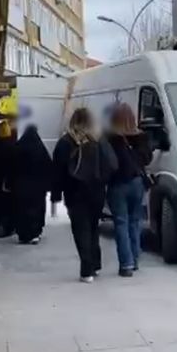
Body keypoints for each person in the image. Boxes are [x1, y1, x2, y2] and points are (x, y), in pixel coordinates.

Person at [52, 108, 116, 283]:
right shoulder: (99, 140)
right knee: (93, 227)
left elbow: (57, 170)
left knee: (81, 230)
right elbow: (111, 164)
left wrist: (56, 194)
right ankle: (95, 264)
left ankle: (87, 270)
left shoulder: (66, 142)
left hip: (74, 192)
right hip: (96, 191)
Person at [106, 103, 152, 278]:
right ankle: (135, 259)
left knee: (121, 223)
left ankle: (126, 264)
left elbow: (106, 161)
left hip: (117, 183)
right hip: (137, 182)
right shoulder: (141, 137)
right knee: (134, 222)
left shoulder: (109, 138)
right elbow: (147, 159)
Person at [11, 125, 53, 245]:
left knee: (21, 210)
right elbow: (48, 166)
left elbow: (11, 167)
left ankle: (23, 234)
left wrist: (11, 182)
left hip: (20, 186)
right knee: (36, 209)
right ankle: (35, 233)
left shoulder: (18, 147)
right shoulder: (40, 148)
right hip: (37, 187)